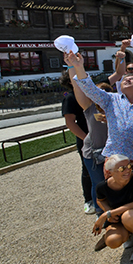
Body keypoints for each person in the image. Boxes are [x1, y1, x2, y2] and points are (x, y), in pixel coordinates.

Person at [65, 51, 133, 174]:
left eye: (131, 79)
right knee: (115, 191)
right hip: (115, 155)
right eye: (125, 79)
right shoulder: (110, 99)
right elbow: (90, 89)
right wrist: (79, 67)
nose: (127, 80)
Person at [92, 154, 133, 262]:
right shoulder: (102, 187)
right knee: (113, 241)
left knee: (129, 216)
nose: (128, 170)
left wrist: (107, 214)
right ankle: (132, 233)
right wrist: (108, 211)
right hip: (119, 217)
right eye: (122, 168)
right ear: (109, 172)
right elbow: (100, 200)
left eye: (129, 166)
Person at [70, 76, 115, 216]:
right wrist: (73, 65)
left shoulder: (116, 108)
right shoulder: (89, 107)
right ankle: (99, 211)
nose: (103, 93)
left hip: (113, 152)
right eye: (99, 90)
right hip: (93, 152)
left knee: (114, 182)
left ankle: (114, 208)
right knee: (98, 183)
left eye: (106, 90)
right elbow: (76, 87)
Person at [60, 70, 92, 214]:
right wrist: (86, 139)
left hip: (100, 137)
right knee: (87, 169)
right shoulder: (70, 98)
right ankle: (88, 200)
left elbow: (117, 74)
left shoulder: (91, 93)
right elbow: (70, 123)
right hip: (86, 139)